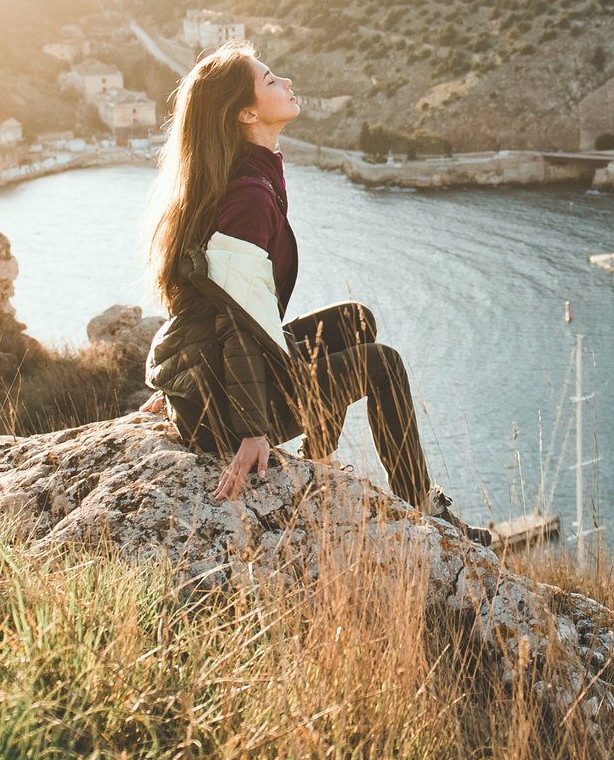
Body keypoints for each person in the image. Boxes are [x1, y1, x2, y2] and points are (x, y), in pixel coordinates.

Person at [137, 43, 488, 542]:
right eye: (272, 80)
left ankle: (314, 463)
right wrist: (253, 431)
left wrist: (179, 380)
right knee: (381, 364)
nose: (288, 84)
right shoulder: (249, 198)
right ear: (246, 112)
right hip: (228, 408)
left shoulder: (239, 174)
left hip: (213, 382)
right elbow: (239, 322)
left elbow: (200, 299)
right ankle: (424, 508)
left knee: (356, 321)